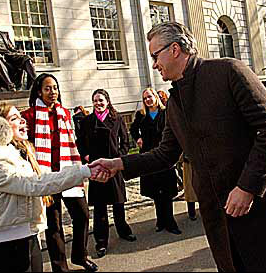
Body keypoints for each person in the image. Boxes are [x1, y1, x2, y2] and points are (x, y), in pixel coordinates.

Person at [91, 22, 266, 272]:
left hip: (263, 213)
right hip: (221, 225)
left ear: (174, 49)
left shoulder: (228, 71)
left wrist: (247, 187)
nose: (153, 64)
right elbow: (165, 154)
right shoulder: (174, 102)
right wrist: (118, 164)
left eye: (155, 56)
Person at [0, 101, 103, 272]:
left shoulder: (17, 157)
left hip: (29, 239)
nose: (23, 120)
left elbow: (41, 179)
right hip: (11, 249)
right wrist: (84, 171)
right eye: (15, 118)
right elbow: (35, 184)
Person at [21, 74, 97, 272]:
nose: (52, 92)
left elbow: (71, 142)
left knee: (82, 215)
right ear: (39, 91)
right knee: (53, 225)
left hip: (66, 172)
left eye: (55, 88)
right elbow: (24, 144)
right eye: (47, 88)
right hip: (46, 177)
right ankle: (60, 268)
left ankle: (80, 255)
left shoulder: (64, 112)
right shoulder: (29, 116)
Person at [77, 89, 136, 258]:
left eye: (101, 100)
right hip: (97, 167)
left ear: (107, 101)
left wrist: (120, 159)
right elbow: (80, 142)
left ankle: (123, 231)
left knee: (118, 203)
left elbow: (125, 141)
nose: (98, 103)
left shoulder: (116, 119)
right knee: (100, 208)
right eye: (95, 100)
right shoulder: (87, 121)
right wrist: (86, 155)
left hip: (114, 166)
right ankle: (101, 241)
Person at [130, 88, 181, 234]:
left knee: (167, 191)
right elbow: (133, 129)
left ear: (155, 97)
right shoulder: (141, 115)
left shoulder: (165, 113)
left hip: (164, 156)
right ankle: (160, 221)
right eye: (145, 98)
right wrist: (138, 138)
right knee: (156, 193)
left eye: (150, 96)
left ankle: (170, 222)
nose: (148, 100)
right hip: (149, 157)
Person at [181, 153, 198, 220]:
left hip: (199, 163)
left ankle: (193, 213)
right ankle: (192, 213)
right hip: (188, 164)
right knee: (190, 192)